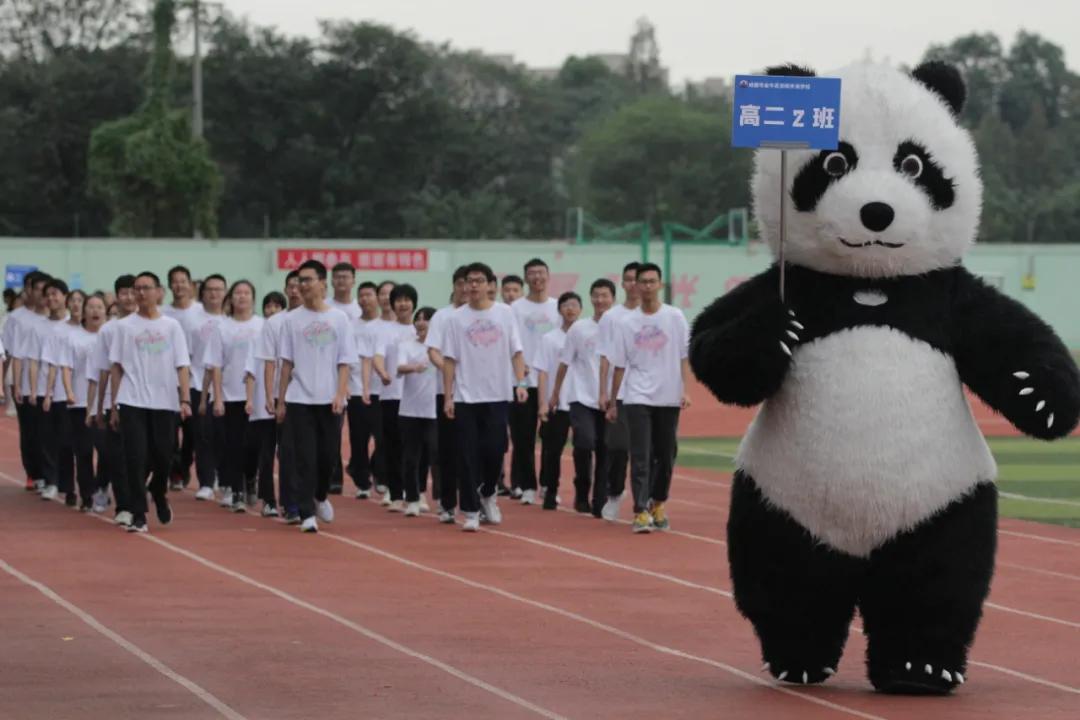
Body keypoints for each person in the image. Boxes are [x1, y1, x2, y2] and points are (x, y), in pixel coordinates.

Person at [606, 264, 692, 533]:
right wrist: (613, 401)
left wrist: (685, 389)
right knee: (640, 454)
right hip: (637, 395)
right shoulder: (626, 323)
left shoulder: (674, 317)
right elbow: (619, 365)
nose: (646, 286)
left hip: (668, 395)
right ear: (635, 286)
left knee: (666, 454)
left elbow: (684, 356)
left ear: (660, 285)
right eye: (642, 281)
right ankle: (640, 510)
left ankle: (658, 502)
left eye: (652, 281)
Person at [442, 262, 527, 532]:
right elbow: (449, 359)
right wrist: (448, 396)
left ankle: (488, 492)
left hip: (497, 394)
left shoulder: (505, 314)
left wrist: (521, 383)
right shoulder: (456, 318)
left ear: (490, 285)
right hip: (466, 397)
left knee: (495, 449)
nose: (474, 285)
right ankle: (470, 510)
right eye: (470, 281)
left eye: (480, 280)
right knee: (467, 455)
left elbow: (516, 351)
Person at [109, 271, 192, 534]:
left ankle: (158, 489)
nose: (141, 293)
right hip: (132, 400)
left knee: (163, 457)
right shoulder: (124, 327)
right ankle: (139, 514)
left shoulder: (171, 326)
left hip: (165, 402)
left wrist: (185, 398)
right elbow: (116, 367)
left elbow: (182, 365)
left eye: (146, 288)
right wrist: (114, 405)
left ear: (159, 292)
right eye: (137, 288)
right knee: (135, 458)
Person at [276, 260, 354, 533]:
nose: (302, 285)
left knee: (328, 456)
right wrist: (281, 400)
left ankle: (320, 496)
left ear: (322, 283)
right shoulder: (291, 320)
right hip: (300, 398)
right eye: (300, 280)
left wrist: (340, 393)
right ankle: (306, 512)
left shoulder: (339, 319)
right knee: (305, 457)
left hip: (330, 399)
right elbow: (286, 363)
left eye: (308, 280)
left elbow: (345, 360)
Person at [551, 278, 616, 517]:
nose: (600, 300)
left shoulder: (620, 328)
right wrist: (555, 393)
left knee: (605, 449)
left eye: (605, 296)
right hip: (581, 397)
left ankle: (599, 500)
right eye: (596, 295)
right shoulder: (579, 329)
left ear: (613, 299)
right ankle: (582, 488)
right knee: (584, 442)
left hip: (609, 399)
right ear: (591, 298)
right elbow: (564, 362)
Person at [205, 280, 264, 512]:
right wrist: (218, 397)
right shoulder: (222, 327)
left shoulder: (262, 325)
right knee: (233, 444)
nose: (242, 297)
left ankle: (250, 477)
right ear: (231, 298)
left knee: (254, 444)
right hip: (230, 394)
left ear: (253, 298)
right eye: (238, 293)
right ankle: (236, 490)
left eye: (246, 293)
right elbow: (216, 364)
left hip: (257, 394)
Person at [508, 258, 561, 504]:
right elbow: (511, 342)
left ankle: (549, 485)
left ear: (548, 276)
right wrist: (519, 368)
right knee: (523, 437)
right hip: (523, 382)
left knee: (552, 438)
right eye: (532, 273)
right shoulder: (515, 309)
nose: (537, 277)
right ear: (526, 278)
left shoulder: (558, 307)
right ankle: (527, 485)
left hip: (550, 383)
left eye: (541, 272)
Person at [90, 275, 137, 526]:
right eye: (124, 293)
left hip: (147, 401)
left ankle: (139, 495)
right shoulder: (109, 330)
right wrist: (99, 407)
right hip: (116, 401)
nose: (129, 297)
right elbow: (103, 371)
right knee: (117, 456)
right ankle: (125, 506)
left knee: (146, 455)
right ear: (116, 297)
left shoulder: (154, 326)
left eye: (133, 292)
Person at [256, 271, 302, 523]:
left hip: (311, 396)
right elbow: (269, 362)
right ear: (286, 290)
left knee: (310, 451)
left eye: (299, 285)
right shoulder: (275, 322)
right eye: (291, 286)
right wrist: (269, 395)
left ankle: (309, 496)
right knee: (283, 450)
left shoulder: (320, 319)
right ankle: (287, 503)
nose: (295, 290)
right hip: (282, 394)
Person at [596, 261, 641, 520]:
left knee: (646, 451)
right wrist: (603, 392)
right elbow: (605, 357)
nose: (633, 284)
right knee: (618, 447)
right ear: (622, 284)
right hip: (621, 392)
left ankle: (645, 502)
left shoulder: (659, 316)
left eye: (637, 279)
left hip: (648, 393)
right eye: (629, 279)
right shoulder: (612, 317)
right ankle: (614, 493)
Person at [424, 265, 468, 523]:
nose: (466, 288)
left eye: (470, 283)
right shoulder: (443, 316)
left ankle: (478, 498)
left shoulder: (486, 316)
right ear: (454, 286)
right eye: (460, 283)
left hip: (479, 394)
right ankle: (448, 501)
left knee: (477, 449)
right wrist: (449, 371)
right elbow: (433, 350)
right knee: (448, 449)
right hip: (447, 392)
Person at [57, 294, 107, 511]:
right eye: (91, 307)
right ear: (84, 311)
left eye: (99, 307)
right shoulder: (73, 337)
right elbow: (66, 367)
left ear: (105, 311)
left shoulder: (109, 335)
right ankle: (87, 495)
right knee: (84, 451)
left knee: (107, 451)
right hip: (79, 403)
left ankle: (101, 487)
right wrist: (69, 392)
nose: (95, 311)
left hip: (105, 403)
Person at [182, 274, 228, 500]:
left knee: (224, 435)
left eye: (219, 289)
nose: (214, 294)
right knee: (202, 434)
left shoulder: (230, 320)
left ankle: (223, 474)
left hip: (227, 387)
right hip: (198, 384)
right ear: (202, 293)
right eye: (210, 289)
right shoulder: (192, 320)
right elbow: (185, 355)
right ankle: (206, 481)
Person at [536, 291, 582, 510]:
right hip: (558, 402)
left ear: (581, 309)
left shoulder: (587, 335)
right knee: (553, 450)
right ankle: (550, 490)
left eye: (574, 305)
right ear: (559, 310)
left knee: (583, 449)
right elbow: (543, 371)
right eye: (565, 305)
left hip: (582, 401)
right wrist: (543, 403)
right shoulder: (549, 339)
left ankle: (583, 494)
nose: (570, 309)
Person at [7, 271, 51, 491]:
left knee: (50, 431)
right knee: (30, 431)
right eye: (38, 289)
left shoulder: (55, 319)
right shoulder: (17, 318)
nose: (42, 295)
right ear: (28, 290)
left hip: (51, 385)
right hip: (25, 383)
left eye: (46, 290)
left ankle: (50, 473)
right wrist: (12, 383)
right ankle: (33, 473)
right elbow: (11, 352)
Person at [32, 279, 74, 502]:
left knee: (67, 440)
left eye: (55, 293)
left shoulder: (73, 325)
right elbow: (33, 360)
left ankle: (67, 483)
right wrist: (33, 390)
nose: (51, 298)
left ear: (65, 296)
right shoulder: (39, 327)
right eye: (47, 294)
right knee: (47, 438)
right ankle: (51, 481)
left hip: (68, 392)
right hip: (44, 390)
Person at [246, 291, 286, 517]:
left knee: (287, 452)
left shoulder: (289, 332)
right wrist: (252, 399)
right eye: (268, 306)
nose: (271, 310)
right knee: (265, 453)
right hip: (264, 404)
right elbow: (251, 371)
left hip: (287, 402)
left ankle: (290, 500)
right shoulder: (258, 336)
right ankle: (268, 499)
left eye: (276, 306)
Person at [347, 281, 387, 499]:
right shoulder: (351, 326)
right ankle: (362, 481)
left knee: (383, 437)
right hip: (356, 389)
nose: (365, 299)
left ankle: (378, 470)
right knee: (359, 438)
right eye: (361, 295)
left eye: (369, 295)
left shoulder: (384, 326)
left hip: (383, 390)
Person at [396, 307, 438, 516]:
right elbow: (399, 367)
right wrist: (414, 368)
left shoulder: (441, 347)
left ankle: (431, 496)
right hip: (410, 410)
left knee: (432, 455)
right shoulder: (406, 345)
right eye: (418, 319)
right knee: (411, 457)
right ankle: (412, 499)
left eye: (426, 319)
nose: (421, 322)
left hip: (434, 410)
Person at [164, 265, 203, 489]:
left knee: (192, 433)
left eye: (183, 281)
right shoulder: (163, 312)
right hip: (169, 381)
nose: (179, 285)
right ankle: (175, 471)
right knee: (169, 432)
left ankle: (184, 465)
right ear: (170, 285)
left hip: (195, 380)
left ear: (190, 284)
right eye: (175, 281)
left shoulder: (200, 311)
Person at [380, 283, 419, 510]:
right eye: (399, 300)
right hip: (391, 395)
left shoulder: (420, 330)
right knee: (393, 446)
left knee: (416, 447)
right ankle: (395, 494)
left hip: (416, 397)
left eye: (407, 300)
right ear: (393, 304)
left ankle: (416, 492)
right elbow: (377, 356)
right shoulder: (386, 330)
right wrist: (382, 372)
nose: (403, 304)